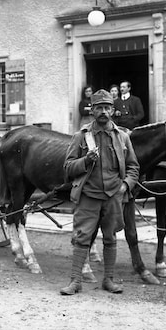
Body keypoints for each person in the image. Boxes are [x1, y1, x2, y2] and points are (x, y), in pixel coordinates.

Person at [60, 89, 139, 295]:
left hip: (113, 196)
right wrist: (86, 160)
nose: (103, 111)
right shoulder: (81, 137)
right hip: (88, 195)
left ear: (112, 110)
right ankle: (75, 281)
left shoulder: (122, 137)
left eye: (107, 107)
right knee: (82, 238)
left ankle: (109, 280)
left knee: (110, 237)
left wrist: (125, 186)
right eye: (99, 108)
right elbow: (68, 167)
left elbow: (133, 167)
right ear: (92, 111)